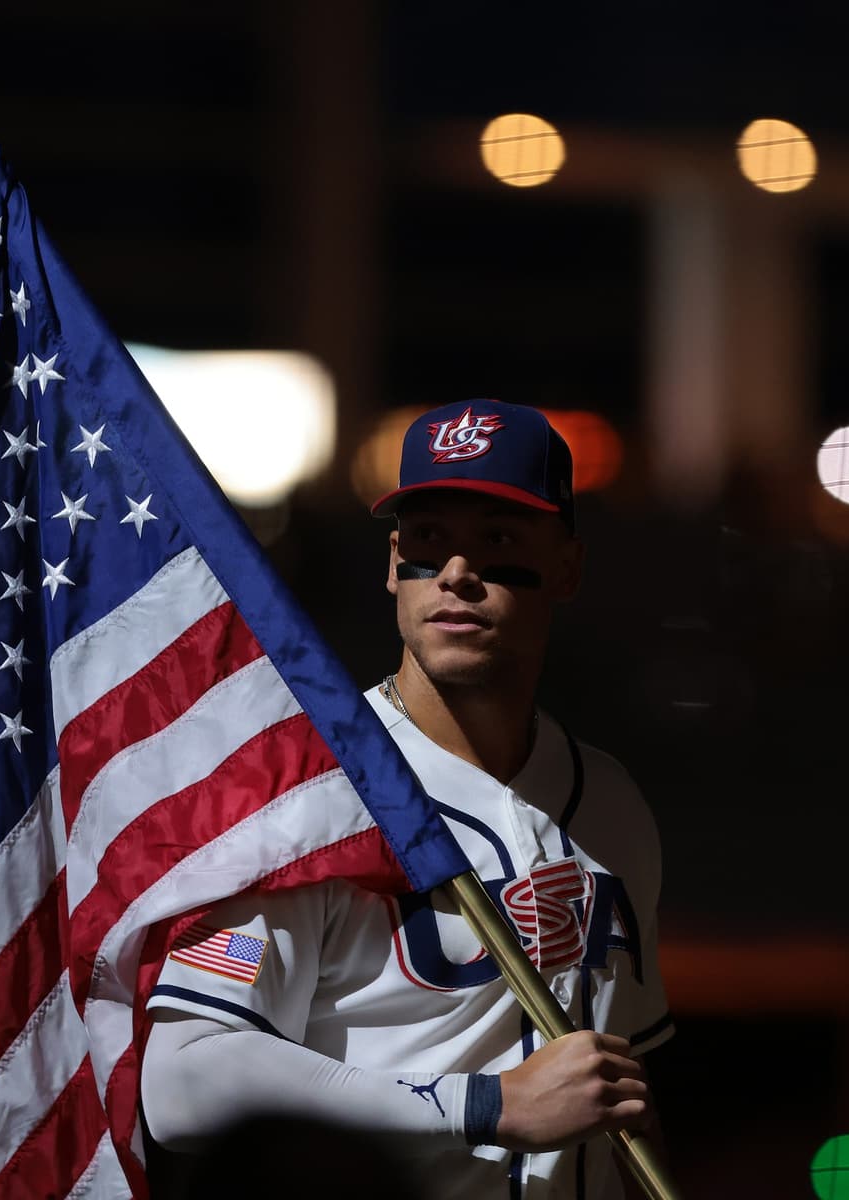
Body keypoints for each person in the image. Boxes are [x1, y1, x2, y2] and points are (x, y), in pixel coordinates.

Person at [140, 399, 673, 1198]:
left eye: (497, 541)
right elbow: (183, 1080)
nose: (456, 573)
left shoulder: (614, 808)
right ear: (393, 565)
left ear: (567, 568)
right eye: (429, 542)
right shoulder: (308, 795)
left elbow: (621, 1092)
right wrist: (486, 1104)